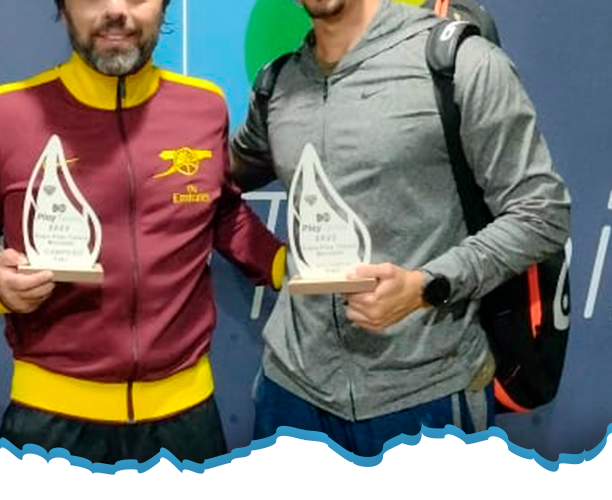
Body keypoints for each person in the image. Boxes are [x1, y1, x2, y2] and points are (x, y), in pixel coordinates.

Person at [0, 0, 285, 464]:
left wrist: (284, 265)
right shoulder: (4, 113)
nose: (117, 11)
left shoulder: (205, 107)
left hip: (188, 422)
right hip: (50, 422)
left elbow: (222, 211)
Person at [230, 0, 570, 457]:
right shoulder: (278, 86)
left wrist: (427, 286)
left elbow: (541, 213)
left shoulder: (458, 62)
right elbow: (212, 179)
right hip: (290, 393)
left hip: (425, 393)